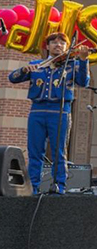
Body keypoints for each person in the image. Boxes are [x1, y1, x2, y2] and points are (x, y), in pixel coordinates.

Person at [8, 32, 90, 194]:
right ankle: (33, 187)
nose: (58, 45)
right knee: (34, 152)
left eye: (61, 43)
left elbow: (83, 81)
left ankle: (59, 185)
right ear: (47, 46)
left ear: (67, 47)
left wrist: (83, 59)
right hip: (37, 111)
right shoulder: (37, 64)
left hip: (60, 112)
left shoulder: (71, 65)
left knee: (59, 151)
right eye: (53, 42)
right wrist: (24, 69)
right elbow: (13, 78)